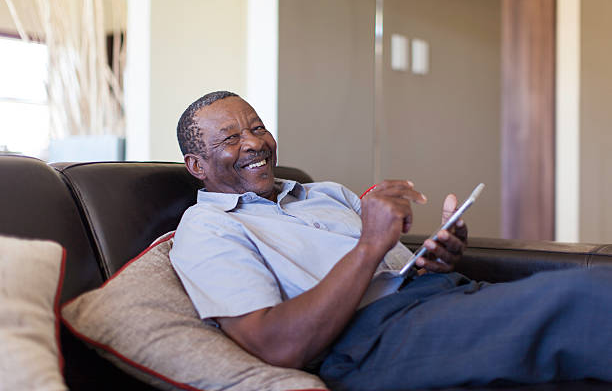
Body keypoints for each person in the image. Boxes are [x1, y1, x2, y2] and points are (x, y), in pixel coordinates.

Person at [169, 91, 612, 390]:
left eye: (258, 127)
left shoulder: (324, 193)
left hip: (441, 299)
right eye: (231, 138)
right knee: (585, 295)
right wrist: (369, 246)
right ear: (196, 165)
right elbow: (274, 345)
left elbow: (390, 270)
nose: (254, 144)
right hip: (375, 342)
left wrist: (434, 260)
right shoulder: (208, 229)